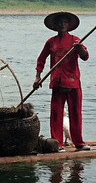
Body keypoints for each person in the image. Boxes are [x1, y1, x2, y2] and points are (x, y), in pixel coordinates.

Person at [34, 11, 91, 151]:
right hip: (57, 83)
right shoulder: (51, 42)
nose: (62, 25)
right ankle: (57, 143)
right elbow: (41, 59)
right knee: (56, 114)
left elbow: (85, 57)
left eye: (65, 22)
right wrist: (38, 77)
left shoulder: (75, 41)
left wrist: (80, 49)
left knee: (76, 113)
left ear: (68, 25)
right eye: (59, 23)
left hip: (73, 82)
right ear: (55, 25)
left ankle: (79, 143)